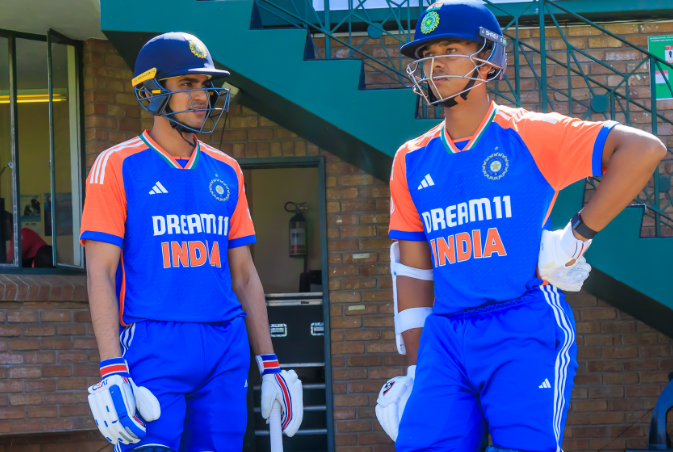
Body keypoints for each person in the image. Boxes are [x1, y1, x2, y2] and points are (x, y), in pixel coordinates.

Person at [374, 2, 667, 451]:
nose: (435, 63)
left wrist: (575, 236)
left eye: (450, 48)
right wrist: (415, 369)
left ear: (489, 58)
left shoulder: (529, 132)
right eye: (427, 53)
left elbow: (643, 150)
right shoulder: (410, 158)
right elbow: (412, 273)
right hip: (446, 337)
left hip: (522, 322)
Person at [80, 32, 303, 451]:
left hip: (224, 344)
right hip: (152, 341)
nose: (202, 96)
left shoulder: (227, 169)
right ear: (151, 90)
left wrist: (270, 363)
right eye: (187, 85)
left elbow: (245, 274)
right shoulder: (116, 165)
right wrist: (111, 367)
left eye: (205, 85)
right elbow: (101, 273)